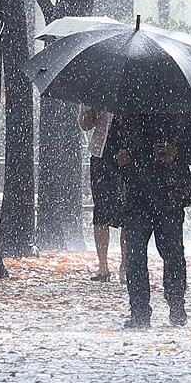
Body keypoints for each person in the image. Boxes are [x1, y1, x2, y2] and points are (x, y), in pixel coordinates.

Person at [109, 112, 191, 328]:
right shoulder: (126, 110)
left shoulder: (179, 110)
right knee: (135, 255)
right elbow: (110, 148)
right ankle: (140, 310)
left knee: (172, 252)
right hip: (136, 194)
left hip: (170, 193)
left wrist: (176, 153)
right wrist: (118, 157)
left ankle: (176, 303)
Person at [78, 105, 122, 282]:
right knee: (101, 210)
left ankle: (126, 265)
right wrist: (89, 108)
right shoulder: (97, 87)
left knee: (128, 210)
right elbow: (84, 125)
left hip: (130, 153)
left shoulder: (135, 85)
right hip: (101, 154)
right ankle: (103, 266)